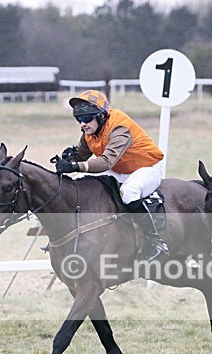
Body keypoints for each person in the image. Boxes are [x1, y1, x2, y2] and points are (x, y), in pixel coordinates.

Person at [53, 90, 168, 262]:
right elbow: (82, 154)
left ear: (101, 116)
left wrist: (75, 166)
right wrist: (70, 157)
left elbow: (105, 162)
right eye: (79, 119)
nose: (82, 124)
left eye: (86, 119)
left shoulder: (119, 127)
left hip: (146, 167)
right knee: (83, 184)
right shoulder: (91, 131)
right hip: (120, 169)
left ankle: (154, 240)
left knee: (129, 193)